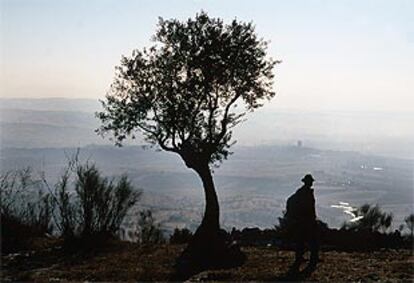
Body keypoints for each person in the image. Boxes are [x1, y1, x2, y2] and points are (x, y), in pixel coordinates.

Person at [285, 174, 319, 271]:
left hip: (301, 221)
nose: (311, 183)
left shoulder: (300, 192)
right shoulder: (306, 193)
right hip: (307, 221)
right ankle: (312, 259)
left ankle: (299, 259)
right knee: (312, 240)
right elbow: (310, 208)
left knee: (301, 241)